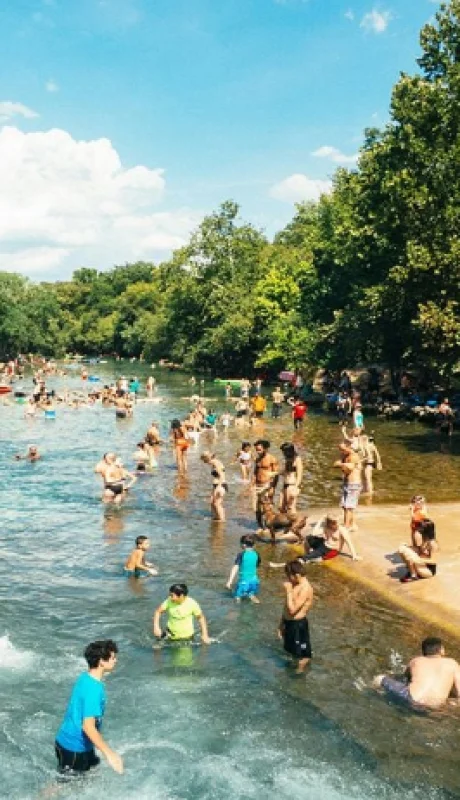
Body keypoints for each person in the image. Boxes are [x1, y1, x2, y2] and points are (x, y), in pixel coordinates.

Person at [55, 640, 123, 776]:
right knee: (62, 786)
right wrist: (110, 754)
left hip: (74, 743)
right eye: (113, 657)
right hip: (74, 748)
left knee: (91, 773)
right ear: (102, 661)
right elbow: (88, 727)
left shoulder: (86, 677)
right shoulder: (94, 690)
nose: (116, 660)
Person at [373, 637, 460, 709]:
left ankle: (374, 694)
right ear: (441, 650)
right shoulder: (452, 663)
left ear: (423, 652)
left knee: (379, 678)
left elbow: (404, 679)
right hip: (434, 708)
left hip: (410, 699)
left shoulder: (416, 661)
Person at [278, 561, 313, 673]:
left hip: (298, 625)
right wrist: (281, 624)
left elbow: (292, 610)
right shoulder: (295, 584)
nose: (288, 579)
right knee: (289, 650)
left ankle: (301, 669)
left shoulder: (305, 589)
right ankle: (290, 667)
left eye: (289, 577)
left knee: (303, 654)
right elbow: (286, 606)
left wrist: (288, 591)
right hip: (288, 623)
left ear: (296, 575)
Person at [226, 534, 261, 603]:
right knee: (251, 594)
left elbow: (235, 568)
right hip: (255, 582)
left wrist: (229, 581)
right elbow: (256, 566)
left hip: (244, 582)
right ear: (253, 545)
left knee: (237, 597)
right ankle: (255, 600)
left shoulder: (241, 555)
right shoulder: (257, 554)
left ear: (243, 545)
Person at [252, 440, 279, 530]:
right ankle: (260, 526)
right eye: (256, 450)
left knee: (266, 507)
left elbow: (276, 474)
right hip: (257, 486)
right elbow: (255, 472)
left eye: (259, 449)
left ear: (266, 448)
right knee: (257, 508)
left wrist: (273, 488)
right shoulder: (258, 458)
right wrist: (251, 485)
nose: (257, 451)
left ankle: (269, 526)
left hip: (267, 485)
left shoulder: (272, 459)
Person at [334, 444, 362, 529]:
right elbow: (335, 464)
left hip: (354, 484)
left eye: (343, 449)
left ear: (349, 447)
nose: (342, 452)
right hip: (346, 483)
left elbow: (350, 468)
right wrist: (343, 464)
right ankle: (352, 524)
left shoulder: (354, 456)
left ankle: (346, 526)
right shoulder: (344, 455)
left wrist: (342, 464)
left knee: (348, 506)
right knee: (344, 505)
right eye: (340, 450)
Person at [201, 451, 227, 521]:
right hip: (216, 485)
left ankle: (222, 520)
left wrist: (218, 487)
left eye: (204, 460)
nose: (205, 463)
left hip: (221, 485)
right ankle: (215, 517)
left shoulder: (216, 463)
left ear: (207, 459)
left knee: (217, 504)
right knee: (212, 502)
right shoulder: (214, 463)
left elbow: (222, 476)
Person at [279, 443, 303, 514]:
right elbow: (286, 472)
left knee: (291, 508)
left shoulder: (297, 459)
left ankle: (294, 523)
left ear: (289, 451)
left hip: (292, 485)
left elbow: (299, 475)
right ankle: (285, 523)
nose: (283, 453)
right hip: (285, 485)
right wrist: (274, 473)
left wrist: (296, 488)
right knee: (281, 507)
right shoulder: (287, 458)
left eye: (284, 451)